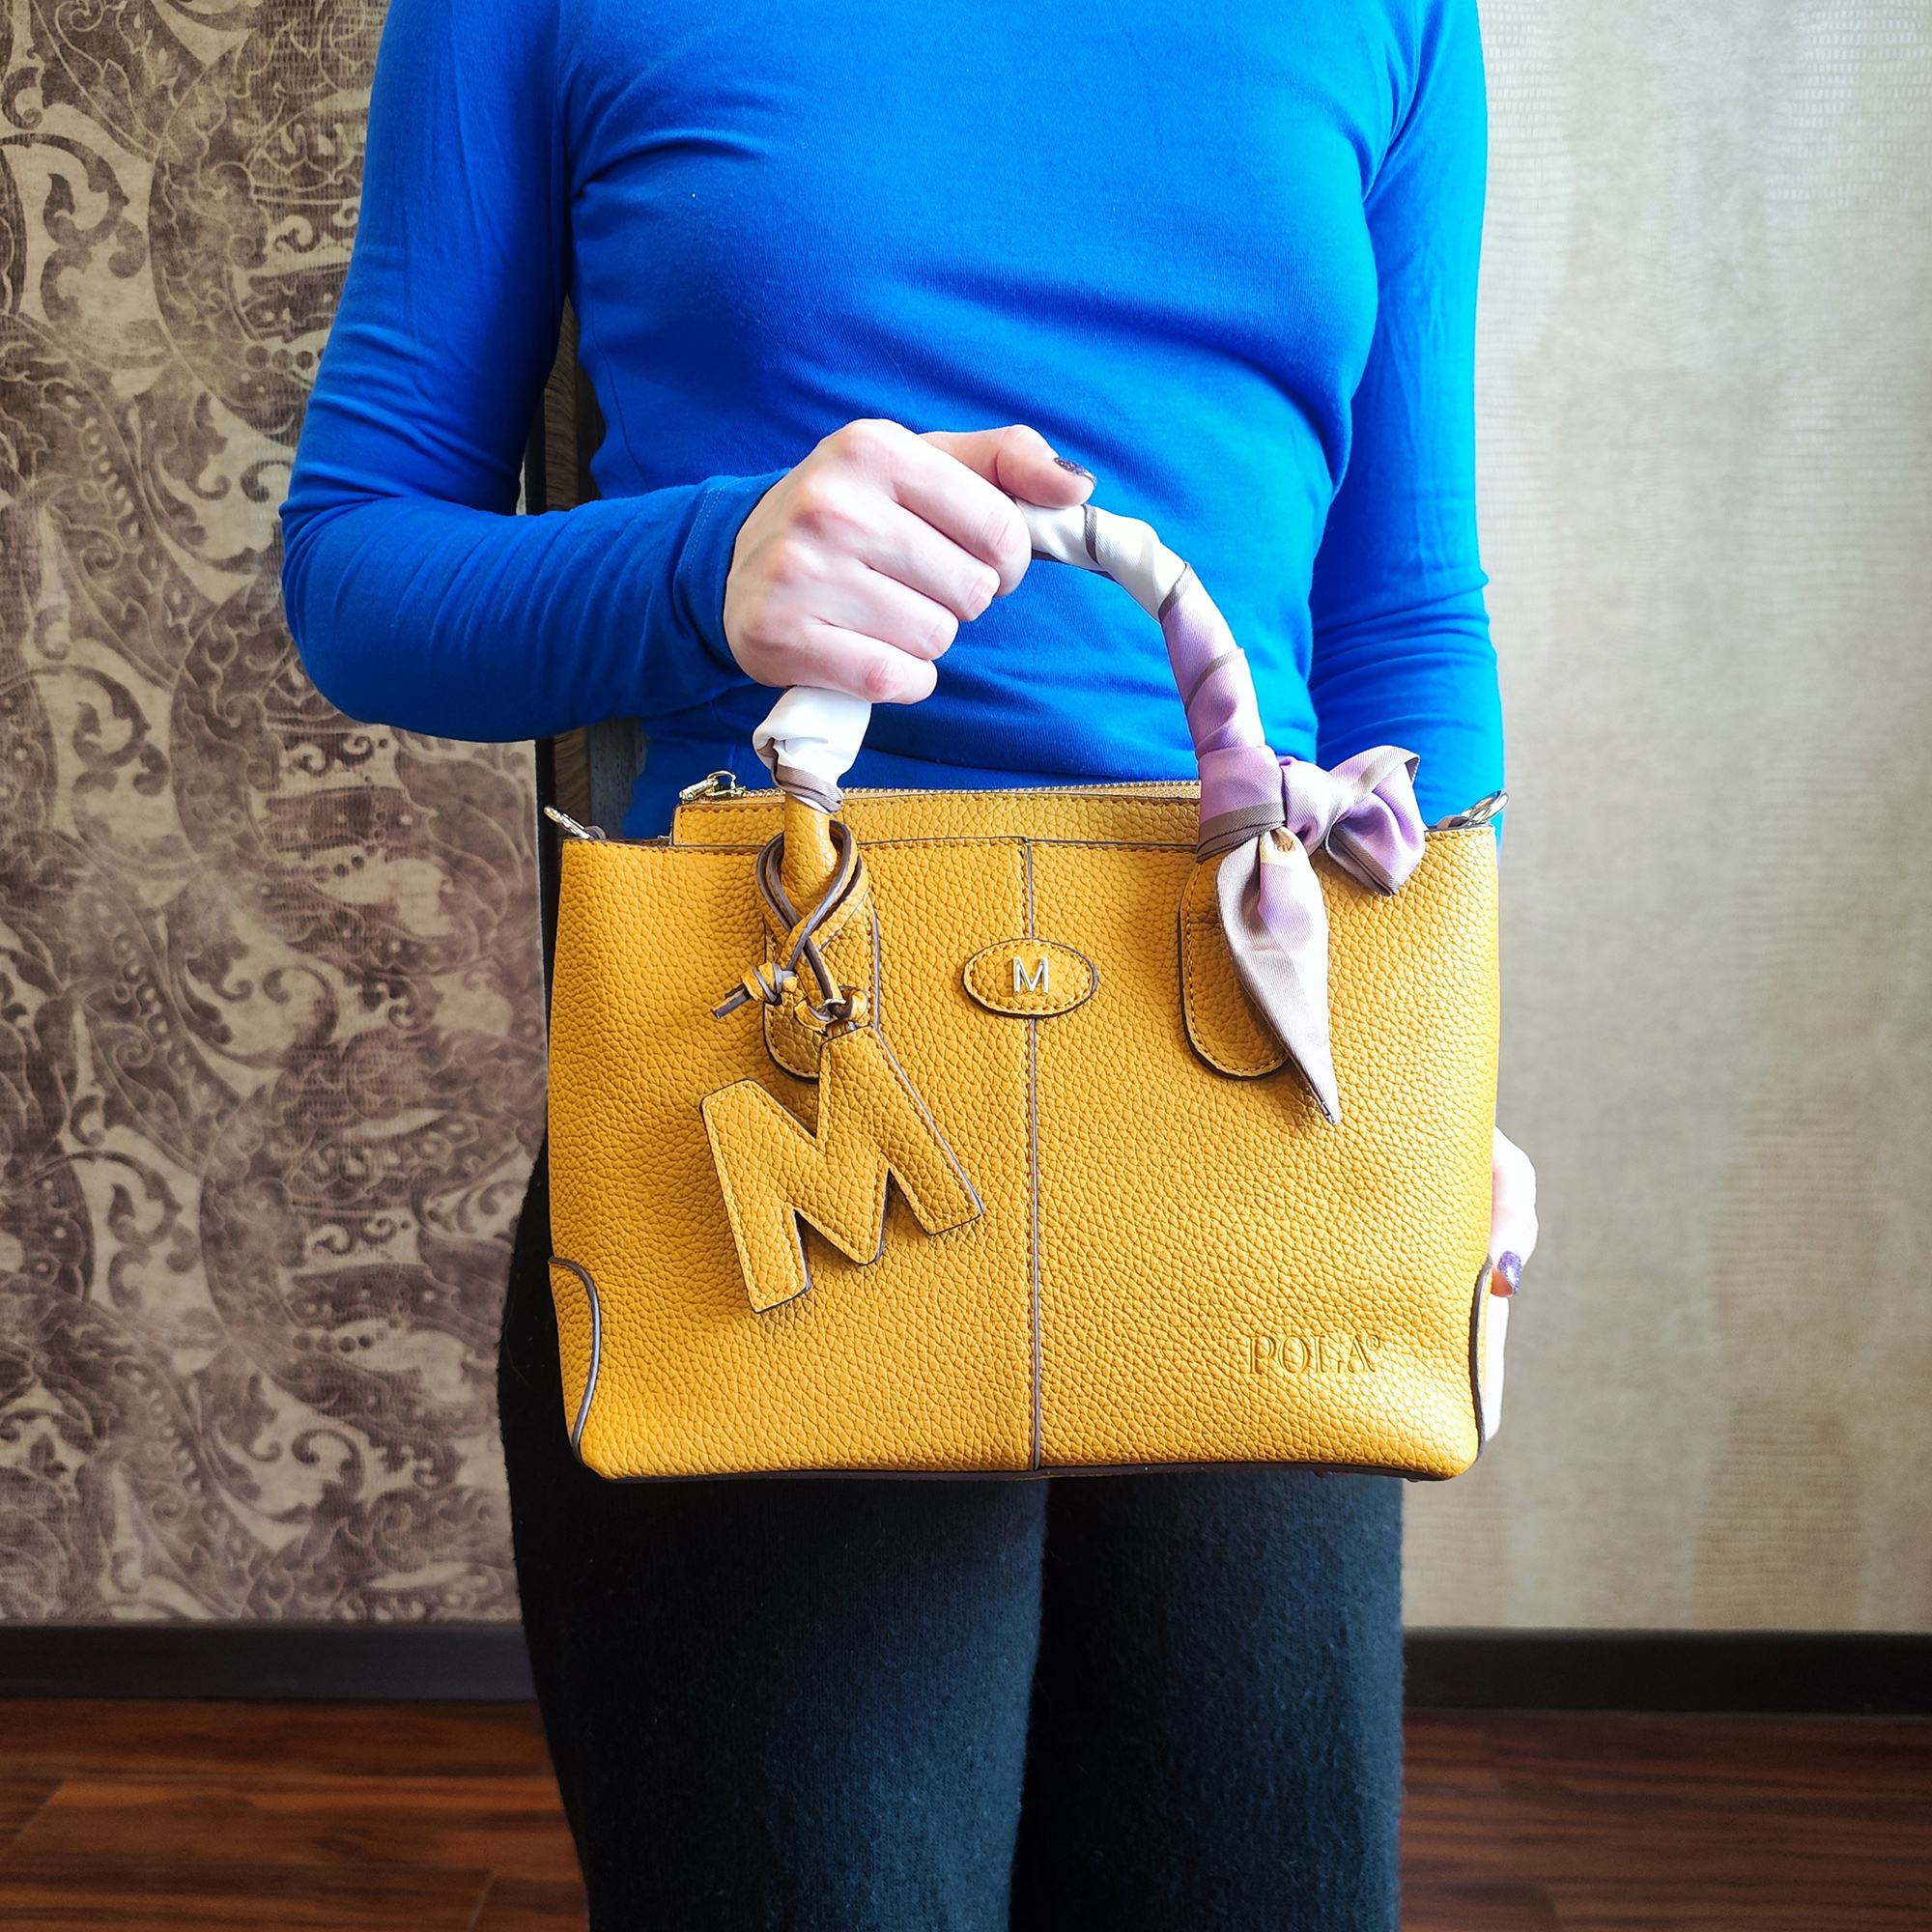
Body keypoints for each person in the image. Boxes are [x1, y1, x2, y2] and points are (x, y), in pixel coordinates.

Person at [277, 0, 1537, 1923]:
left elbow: (1403, 610)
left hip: (1260, 1094)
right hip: (776, 1117)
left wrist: (1436, 1056)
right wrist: (706, 567)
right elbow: (354, 567)